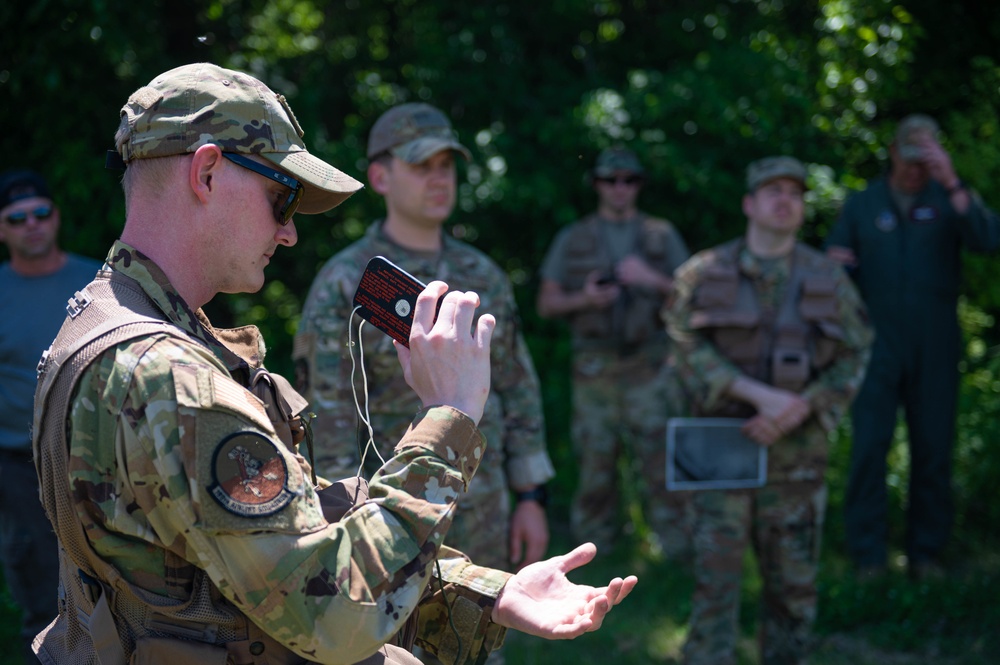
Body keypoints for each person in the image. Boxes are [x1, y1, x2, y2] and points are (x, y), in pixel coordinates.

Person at [30, 62, 636, 665]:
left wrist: (494, 591)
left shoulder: (110, 320)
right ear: (208, 172)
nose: (289, 232)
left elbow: (285, 526)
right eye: (282, 197)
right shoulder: (171, 378)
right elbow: (335, 614)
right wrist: (449, 415)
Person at [294, 103, 554, 583]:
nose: (439, 179)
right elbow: (326, 415)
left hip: (483, 509)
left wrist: (531, 497)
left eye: (446, 166)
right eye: (421, 166)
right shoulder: (348, 282)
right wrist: (339, 516)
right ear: (379, 176)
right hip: (393, 512)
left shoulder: (482, 274)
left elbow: (517, 387)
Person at [665, 156, 872, 665]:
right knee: (714, 588)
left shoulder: (829, 277)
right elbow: (679, 339)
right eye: (773, 191)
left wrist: (802, 406)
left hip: (795, 458)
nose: (785, 200)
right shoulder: (702, 271)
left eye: (795, 193)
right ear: (749, 203)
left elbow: (857, 351)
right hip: (720, 453)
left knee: (793, 592)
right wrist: (760, 396)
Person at [826, 114, 1000, 579]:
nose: (915, 165)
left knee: (933, 449)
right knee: (869, 447)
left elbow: (987, 239)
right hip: (875, 345)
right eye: (909, 153)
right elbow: (834, 265)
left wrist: (952, 179)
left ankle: (927, 553)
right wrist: (838, 268)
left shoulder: (950, 200)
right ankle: (867, 555)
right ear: (892, 150)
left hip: (936, 345)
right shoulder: (863, 204)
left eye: (926, 156)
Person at [536, 146, 691, 556]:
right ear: (597, 185)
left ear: (638, 185)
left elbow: (696, 298)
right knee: (595, 467)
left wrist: (651, 279)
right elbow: (547, 303)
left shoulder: (661, 234)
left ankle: (675, 556)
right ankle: (594, 554)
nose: (620, 188)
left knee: (660, 466)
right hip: (594, 370)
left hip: (651, 365)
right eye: (610, 180)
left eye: (629, 180)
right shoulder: (574, 238)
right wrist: (585, 299)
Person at [0, 169, 101, 662]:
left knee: (109, 586)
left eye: (40, 213)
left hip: (96, 461)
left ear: (56, 217)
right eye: (16, 218)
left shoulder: (96, 284)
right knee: (40, 592)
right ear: (3, 230)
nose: (31, 225)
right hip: (19, 469)